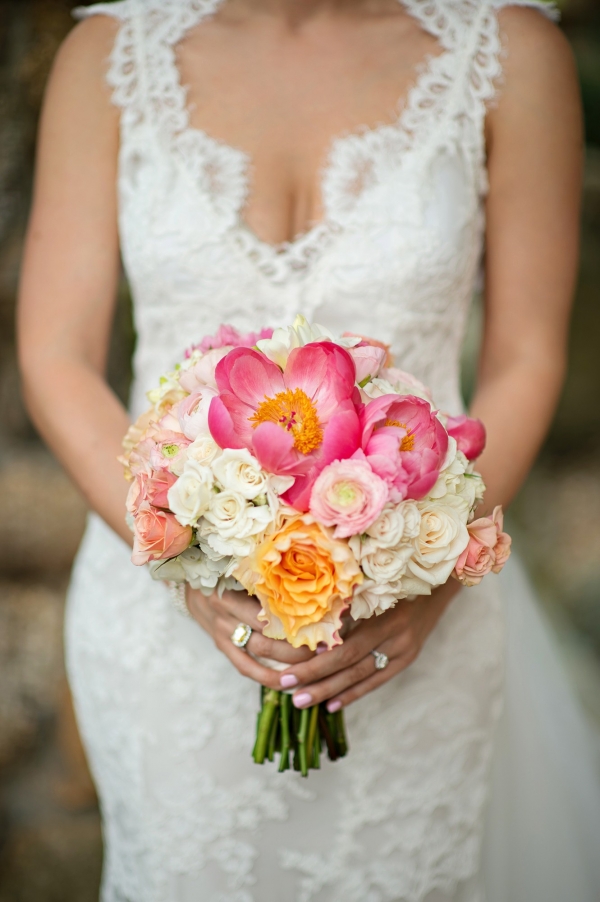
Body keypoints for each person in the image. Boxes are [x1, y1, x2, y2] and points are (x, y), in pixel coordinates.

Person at [17, 0, 600, 899]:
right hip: (166, 621)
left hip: (411, 610)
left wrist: (435, 576)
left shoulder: (514, 53)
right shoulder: (108, 57)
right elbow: (55, 354)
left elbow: (528, 355)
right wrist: (189, 567)